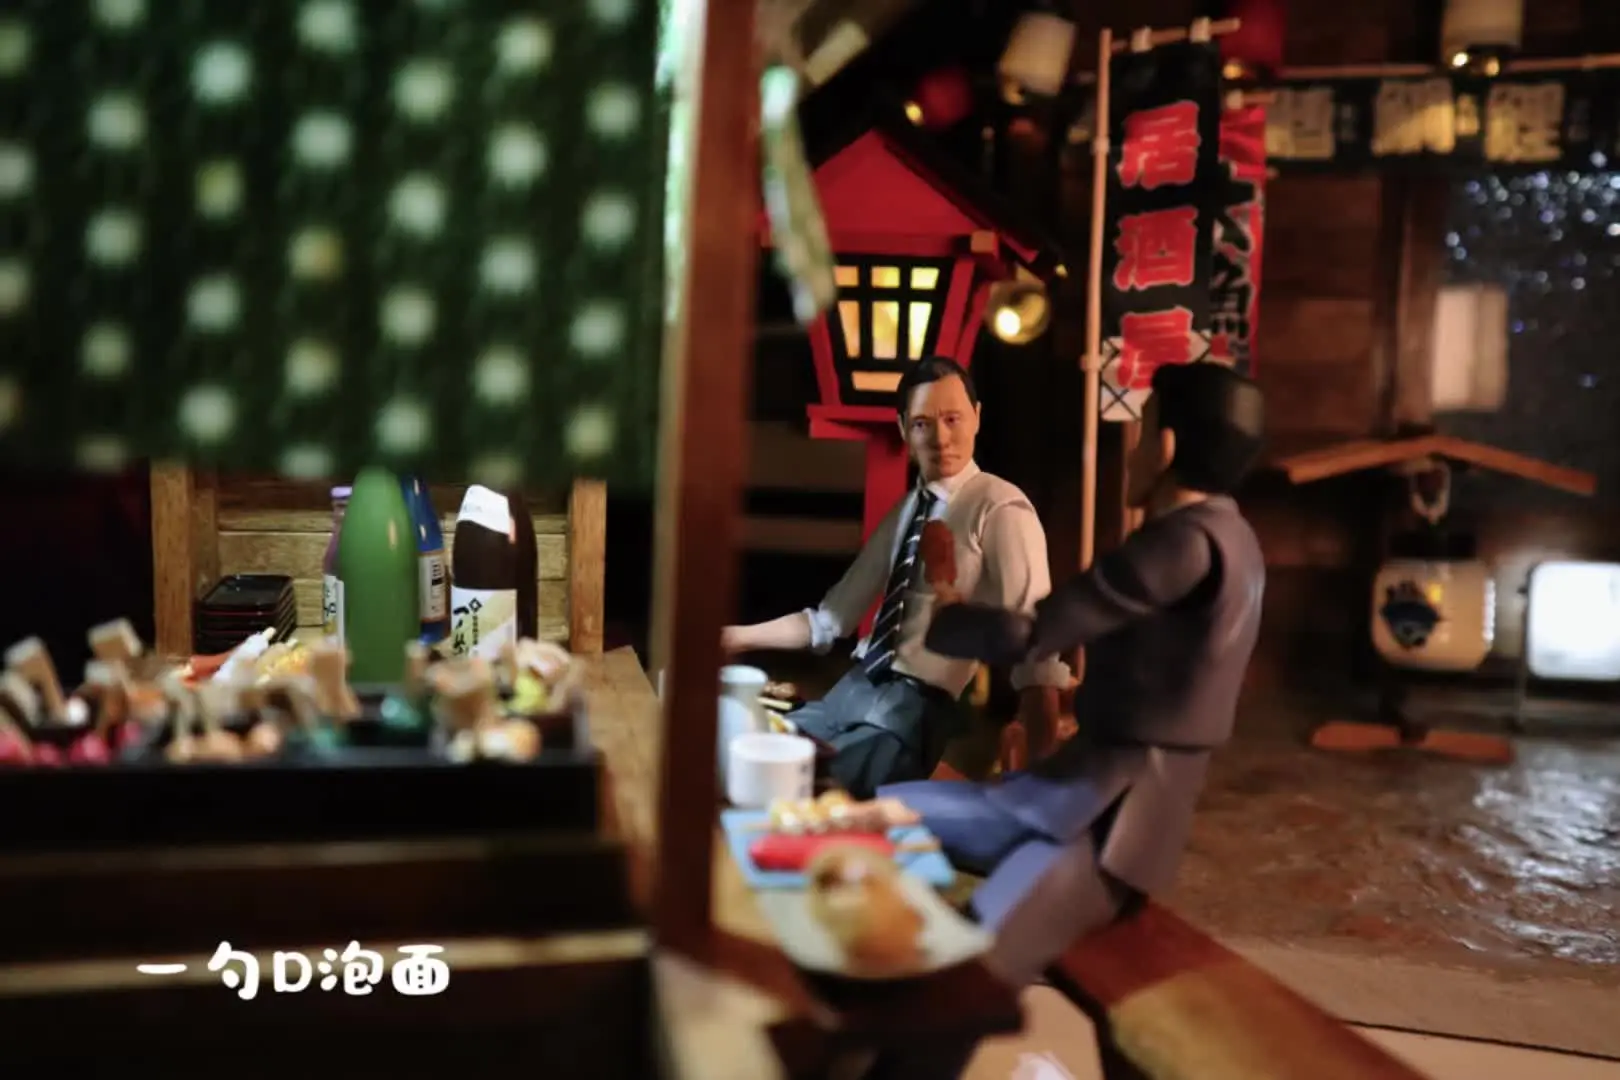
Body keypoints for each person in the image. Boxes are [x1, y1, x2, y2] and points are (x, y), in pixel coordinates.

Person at [883, 360, 1268, 990]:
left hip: (1111, 824)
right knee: (888, 814)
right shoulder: (1236, 539)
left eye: (1141, 436)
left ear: (1166, 448)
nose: (1133, 455)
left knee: (969, 966)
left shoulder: (1180, 544)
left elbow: (1036, 631)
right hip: (1066, 789)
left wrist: (948, 612)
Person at [721, 356, 1070, 799]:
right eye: (923, 424)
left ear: (977, 417)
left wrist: (1043, 785)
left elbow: (1036, 646)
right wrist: (733, 637)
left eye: (953, 419)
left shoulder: (1000, 507)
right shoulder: (907, 511)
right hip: (852, 689)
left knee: (787, 785)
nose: (941, 438)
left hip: (910, 713)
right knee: (742, 749)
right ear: (904, 430)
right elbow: (827, 621)